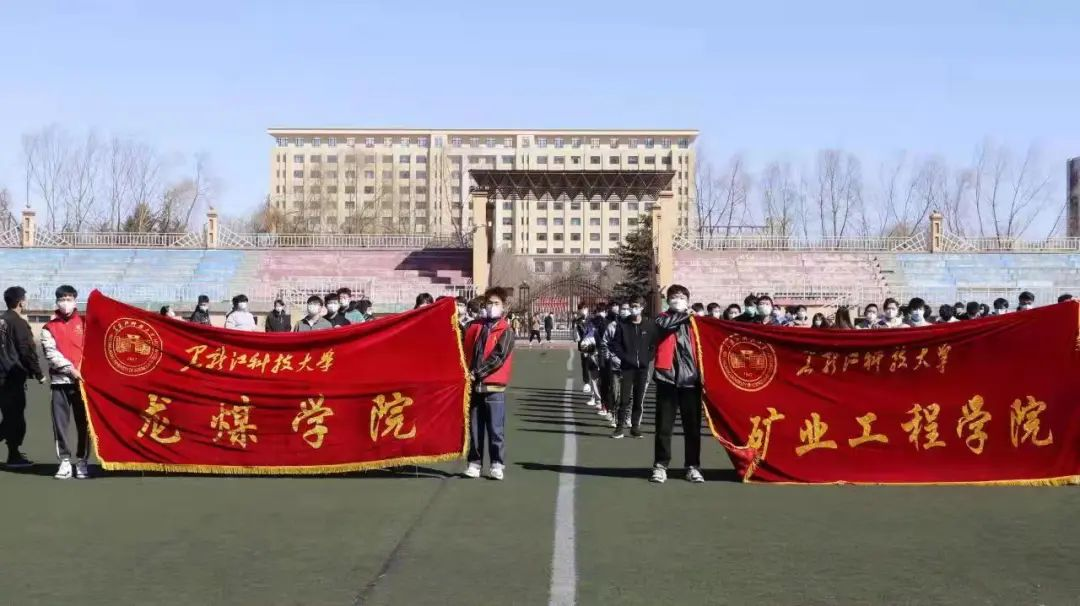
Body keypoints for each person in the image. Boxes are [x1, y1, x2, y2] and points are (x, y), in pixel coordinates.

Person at [652, 284, 704, 484]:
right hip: (667, 378)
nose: (678, 299)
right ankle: (660, 465)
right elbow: (665, 326)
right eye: (674, 296)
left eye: (682, 297)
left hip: (691, 380)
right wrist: (686, 315)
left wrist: (693, 317)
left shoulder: (696, 322)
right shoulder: (662, 318)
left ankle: (693, 466)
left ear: (688, 300)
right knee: (664, 427)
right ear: (668, 300)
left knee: (692, 428)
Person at [463, 286, 515, 481]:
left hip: (494, 387)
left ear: (503, 306)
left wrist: (477, 373)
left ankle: (496, 463)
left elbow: (498, 357)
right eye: (489, 303)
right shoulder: (475, 326)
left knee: (495, 428)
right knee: (475, 428)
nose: (492, 307)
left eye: (496, 303)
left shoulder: (506, 330)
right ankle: (474, 463)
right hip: (475, 387)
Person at [41, 285, 89, 480]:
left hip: (83, 384)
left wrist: (82, 372)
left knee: (84, 424)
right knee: (60, 424)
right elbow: (50, 353)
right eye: (62, 299)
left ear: (75, 301)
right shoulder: (49, 327)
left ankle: (82, 461)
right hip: (60, 382)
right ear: (57, 301)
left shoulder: (85, 323)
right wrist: (71, 369)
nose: (65, 302)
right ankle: (65, 461)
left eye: (69, 298)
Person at [0, 286, 45, 467]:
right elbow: (26, 350)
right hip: (12, 377)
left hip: (2, 375)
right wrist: (38, 373)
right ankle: (14, 455)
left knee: (9, 416)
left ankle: (14, 453)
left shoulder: (2, 320)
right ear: (20, 302)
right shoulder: (17, 323)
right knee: (15, 418)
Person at [610, 296, 656, 439]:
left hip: (642, 368)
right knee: (624, 399)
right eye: (631, 306)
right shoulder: (623, 324)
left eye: (636, 306)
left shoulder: (649, 325)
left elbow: (654, 344)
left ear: (642, 307)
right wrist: (624, 358)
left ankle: (635, 427)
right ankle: (619, 428)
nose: (633, 309)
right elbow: (615, 344)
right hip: (627, 367)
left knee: (638, 399)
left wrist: (647, 358)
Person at [573, 303, 601, 405]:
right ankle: (588, 386)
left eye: (584, 308)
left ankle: (597, 397)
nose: (582, 311)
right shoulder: (577, 321)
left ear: (587, 309)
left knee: (595, 372)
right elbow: (576, 337)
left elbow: (596, 332)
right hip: (584, 347)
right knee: (586, 367)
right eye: (580, 309)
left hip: (594, 347)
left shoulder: (593, 319)